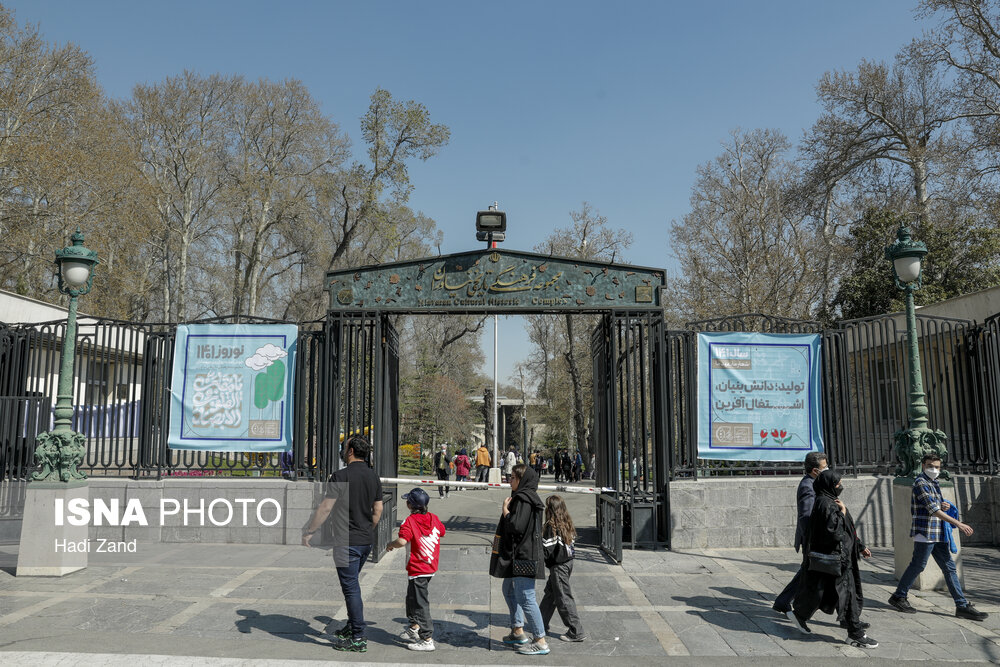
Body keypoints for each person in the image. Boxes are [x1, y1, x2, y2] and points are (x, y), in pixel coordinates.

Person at [301, 435, 383, 653]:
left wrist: (309, 531)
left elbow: (325, 508)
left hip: (346, 542)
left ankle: (358, 637)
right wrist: (366, 531)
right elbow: (378, 511)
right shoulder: (373, 477)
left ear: (351, 451)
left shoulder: (340, 476)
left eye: (344, 447)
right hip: (366, 541)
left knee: (351, 590)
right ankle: (351, 626)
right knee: (353, 584)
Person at [888, 454, 989, 621]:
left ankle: (961, 605)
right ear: (922, 465)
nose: (934, 469)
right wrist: (959, 524)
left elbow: (937, 507)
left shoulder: (933, 483)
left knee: (949, 567)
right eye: (930, 466)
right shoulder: (920, 482)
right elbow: (932, 510)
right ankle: (899, 596)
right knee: (918, 565)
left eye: (937, 467)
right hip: (926, 532)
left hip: (938, 532)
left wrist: (945, 505)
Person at [788, 470, 877, 649]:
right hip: (837, 559)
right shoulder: (826, 504)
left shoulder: (827, 502)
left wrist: (859, 546)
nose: (840, 487)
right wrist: (843, 513)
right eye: (837, 484)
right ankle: (855, 634)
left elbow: (847, 531)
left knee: (825, 592)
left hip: (837, 558)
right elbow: (835, 533)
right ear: (829, 485)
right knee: (847, 593)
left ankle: (801, 615)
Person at [490, 463, 549, 656]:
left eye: (513, 478)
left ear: (522, 480)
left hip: (524, 555)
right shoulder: (523, 497)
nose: (509, 480)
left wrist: (505, 510)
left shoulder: (524, 499)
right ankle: (517, 631)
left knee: (526, 596)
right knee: (508, 589)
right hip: (516, 555)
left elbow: (516, 526)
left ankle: (540, 640)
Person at [387, 487, 446, 652]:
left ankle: (427, 638)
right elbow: (442, 531)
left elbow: (402, 541)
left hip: (417, 567)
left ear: (409, 505)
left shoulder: (409, 521)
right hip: (429, 566)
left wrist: (391, 545)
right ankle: (413, 627)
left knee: (420, 603)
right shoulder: (434, 518)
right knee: (412, 597)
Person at [773, 452, 827, 614]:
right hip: (811, 538)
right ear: (815, 470)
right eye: (824, 467)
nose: (827, 469)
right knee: (809, 571)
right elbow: (806, 517)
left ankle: (783, 601)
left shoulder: (815, 483)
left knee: (806, 571)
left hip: (814, 538)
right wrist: (813, 539)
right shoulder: (807, 487)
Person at [540, 495, 585, 642]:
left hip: (559, 566)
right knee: (551, 594)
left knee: (563, 598)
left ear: (550, 509)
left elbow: (547, 550)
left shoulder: (551, 526)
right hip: (568, 562)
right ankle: (540, 622)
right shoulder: (566, 522)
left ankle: (576, 631)